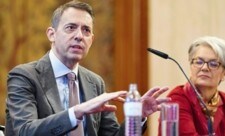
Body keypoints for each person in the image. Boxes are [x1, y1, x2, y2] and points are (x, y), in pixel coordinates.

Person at [5, 1, 170, 136]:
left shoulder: (95, 82)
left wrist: (137, 116)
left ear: (92, 39)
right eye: (71, 27)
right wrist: (76, 112)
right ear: (51, 34)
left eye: (86, 30)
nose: (79, 36)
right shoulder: (24, 76)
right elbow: (25, 131)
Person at [158, 36, 225, 136]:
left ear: (224, 73)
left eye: (213, 64)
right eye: (199, 62)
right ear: (191, 66)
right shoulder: (176, 99)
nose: (204, 68)